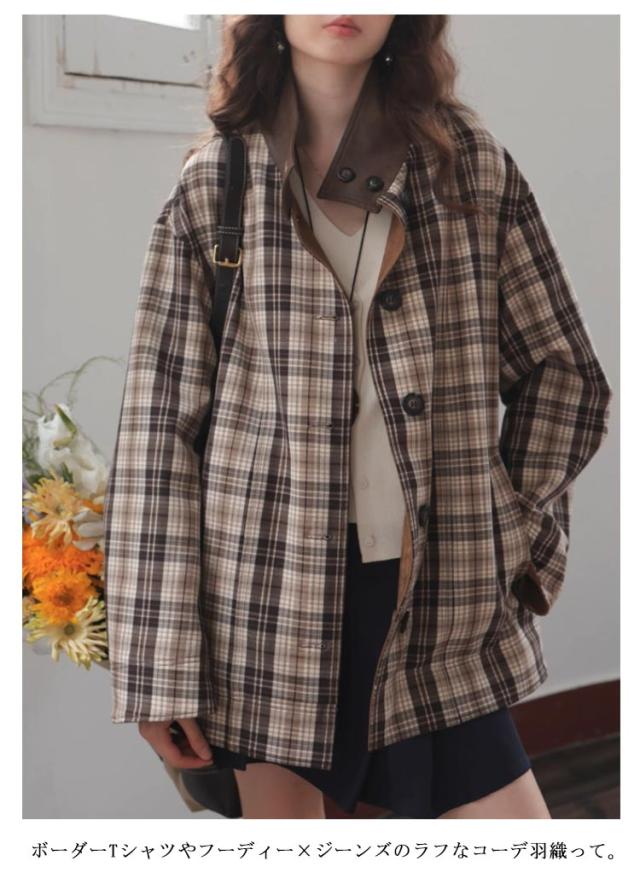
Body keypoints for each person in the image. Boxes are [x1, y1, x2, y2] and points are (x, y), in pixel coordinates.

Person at [103, 14, 612, 819]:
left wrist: (509, 525)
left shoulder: (471, 172)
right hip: (263, 601)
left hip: (438, 595)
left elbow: (566, 377)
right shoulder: (216, 187)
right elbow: (157, 438)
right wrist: (157, 665)